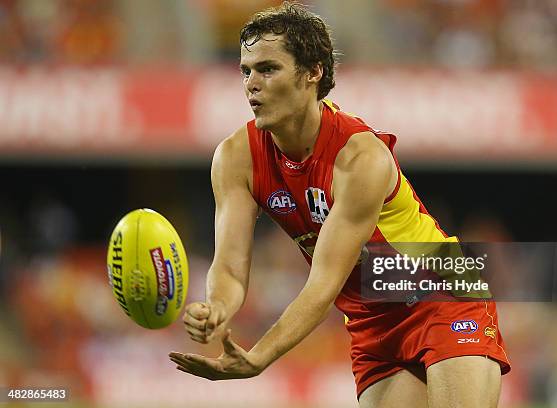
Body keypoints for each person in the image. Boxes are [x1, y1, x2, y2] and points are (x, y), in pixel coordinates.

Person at [169, 2, 510, 407]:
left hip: (443, 293)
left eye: (268, 69)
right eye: (246, 70)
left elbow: (323, 283)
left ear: (313, 72)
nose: (251, 84)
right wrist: (218, 308)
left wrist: (259, 357)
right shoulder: (234, 158)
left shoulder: (359, 157)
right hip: (370, 320)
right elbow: (228, 266)